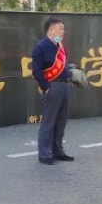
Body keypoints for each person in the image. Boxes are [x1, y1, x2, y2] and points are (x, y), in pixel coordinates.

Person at [32, 17, 75, 163]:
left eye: (63, 28)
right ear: (51, 29)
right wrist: (45, 87)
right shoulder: (41, 47)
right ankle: (45, 154)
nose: (63, 31)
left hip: (64, 86)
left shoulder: (60, 46)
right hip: (52, 86)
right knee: (49, 122)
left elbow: (65, 66)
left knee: (61, 121)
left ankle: (58, 151)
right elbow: (36, 71)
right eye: (60, 28)